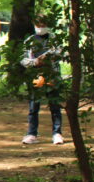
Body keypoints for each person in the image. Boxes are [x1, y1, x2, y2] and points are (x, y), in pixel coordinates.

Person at [20, 16, 64, 145]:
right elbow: (23, 60)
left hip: (52, 76)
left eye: (43, 25)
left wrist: (49, 58)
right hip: (36, 77)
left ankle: (57, 133)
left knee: (55, 106)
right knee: (34, 107)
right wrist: (35, 62)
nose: (41, 27)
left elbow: (60, 53)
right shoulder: (29, 40)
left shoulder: (55, 39)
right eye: (38, 25)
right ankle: (31, 134)